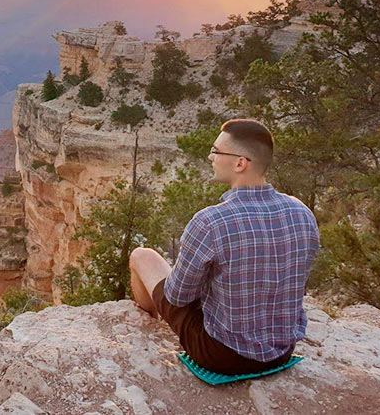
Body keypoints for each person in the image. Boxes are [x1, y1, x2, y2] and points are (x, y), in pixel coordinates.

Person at [129, 118, 319, 374]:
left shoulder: (210, 221)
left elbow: (177, 297)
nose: (210, 157)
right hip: (282, 352)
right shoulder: (302, 212)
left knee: (142, 256)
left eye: (216, 151)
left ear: (240, 163)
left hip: (222, 356)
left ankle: (145, 315)